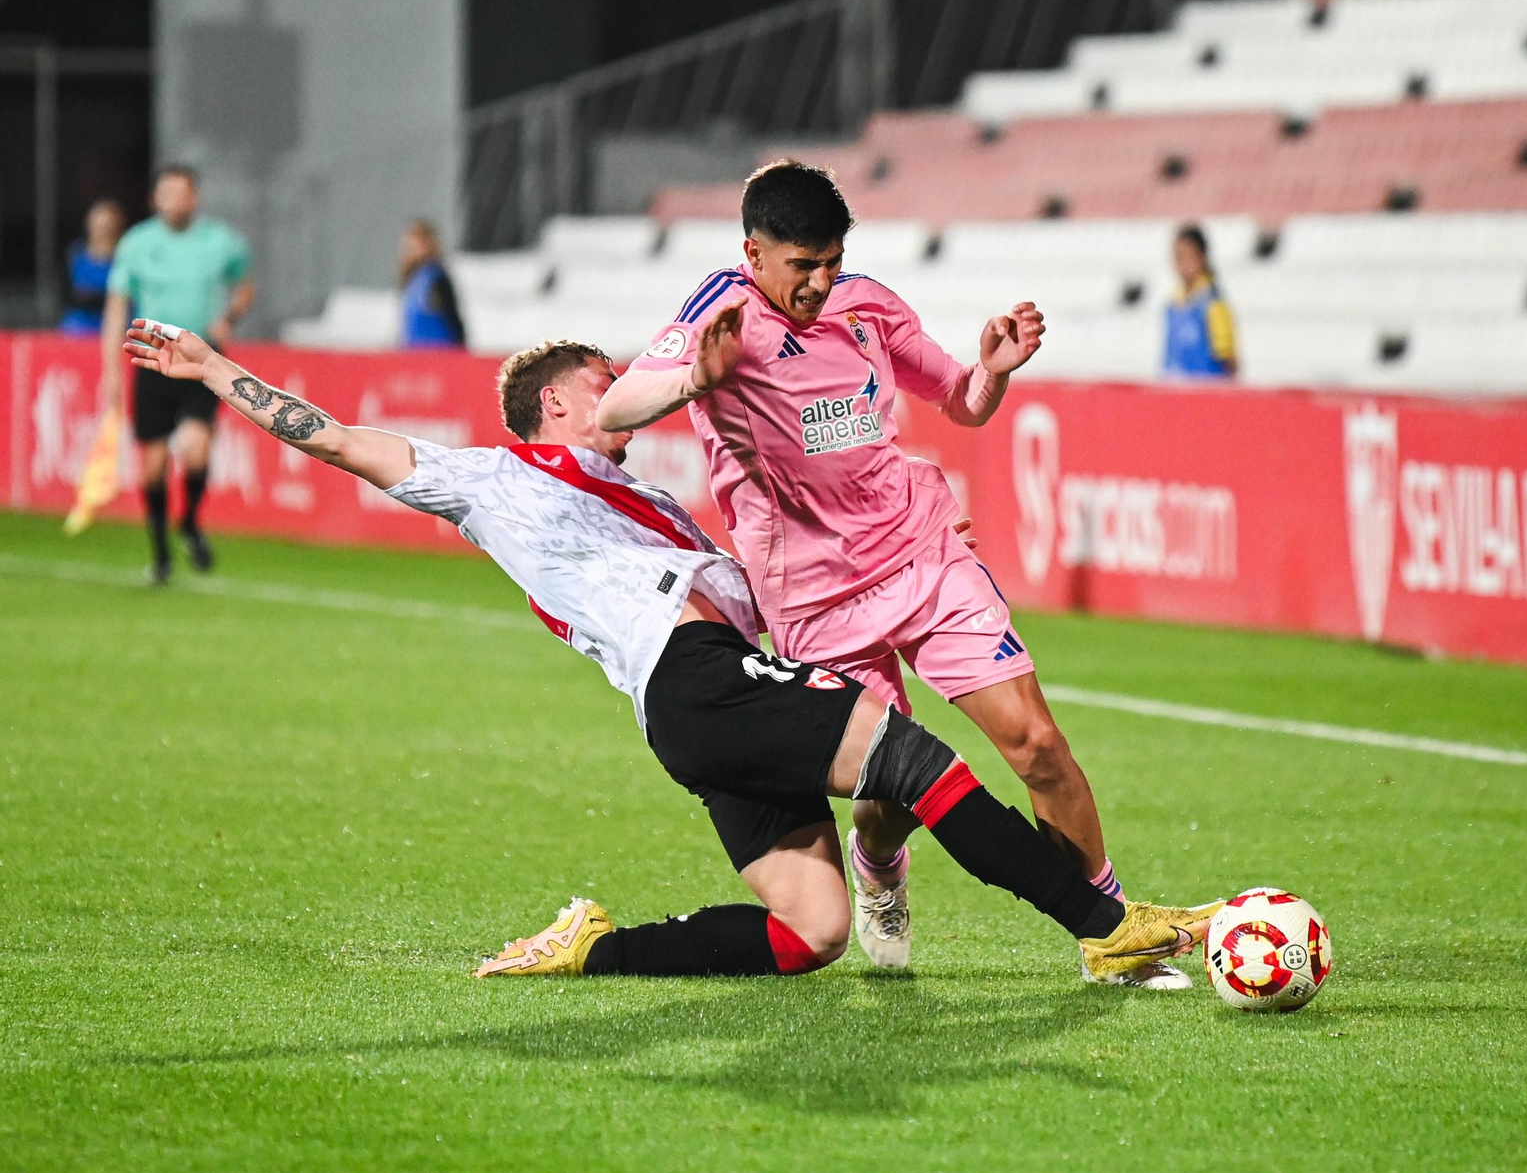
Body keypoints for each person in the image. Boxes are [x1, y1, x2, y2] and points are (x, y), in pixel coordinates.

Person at [122, 316, 1222, 985]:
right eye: (604, 378)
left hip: (701, 709)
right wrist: (217, 370)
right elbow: (332, 437)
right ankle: (1109, 924)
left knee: (813, 930)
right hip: (689, 678)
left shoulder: (660, 505)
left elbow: (794, 581)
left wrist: (913, 543)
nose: (624, 390)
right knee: (914, 762)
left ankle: (591, 947)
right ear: (554, 399)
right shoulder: (493, 478)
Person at [596, 160, 1203, 987]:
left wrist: (993, 369)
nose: (819, 282)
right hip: (813, 600)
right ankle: (878, 863)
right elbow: (615, 408)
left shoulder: (867, 305)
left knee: (1037, 743)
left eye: (831, 262)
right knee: (888, 797)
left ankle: (1113, 932)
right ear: (754, 252)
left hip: (921, 554)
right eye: (801, 265)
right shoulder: (719, 310)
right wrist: (696, 379)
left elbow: (960, 397)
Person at [100, 163, 255, 584]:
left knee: (196, 450)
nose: (172, 201)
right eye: (164, 193)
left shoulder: (221, 241)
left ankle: (188, 522)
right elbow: (117, 306)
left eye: (180, 193)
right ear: (155, 199)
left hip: (202, 359)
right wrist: (110, 371)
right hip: (151, 361)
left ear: (194, 198)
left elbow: (244, 283)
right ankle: (161, 554)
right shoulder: (137, 243)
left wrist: (232, 316)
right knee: (151, 467)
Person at [1162, 223, 1238, 380]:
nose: (1181, 264)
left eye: (1187, 256)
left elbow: (1229, 361)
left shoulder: (1214, 304)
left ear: (1202, 257)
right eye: (1178, 257)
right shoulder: (1172, 304)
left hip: (1207, 395)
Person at [60, 199, 126, 337]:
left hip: (115, 326)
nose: (103, 230)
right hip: (78, 328)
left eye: (108, 225)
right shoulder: (74, 254)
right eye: (99, 224)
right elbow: (66, 294)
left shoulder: (125, 257)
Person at [398, 219, 467, 349]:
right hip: (415, 354)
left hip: (439, 354)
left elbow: (453, 318)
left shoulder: (435, 279)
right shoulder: (413, 279)